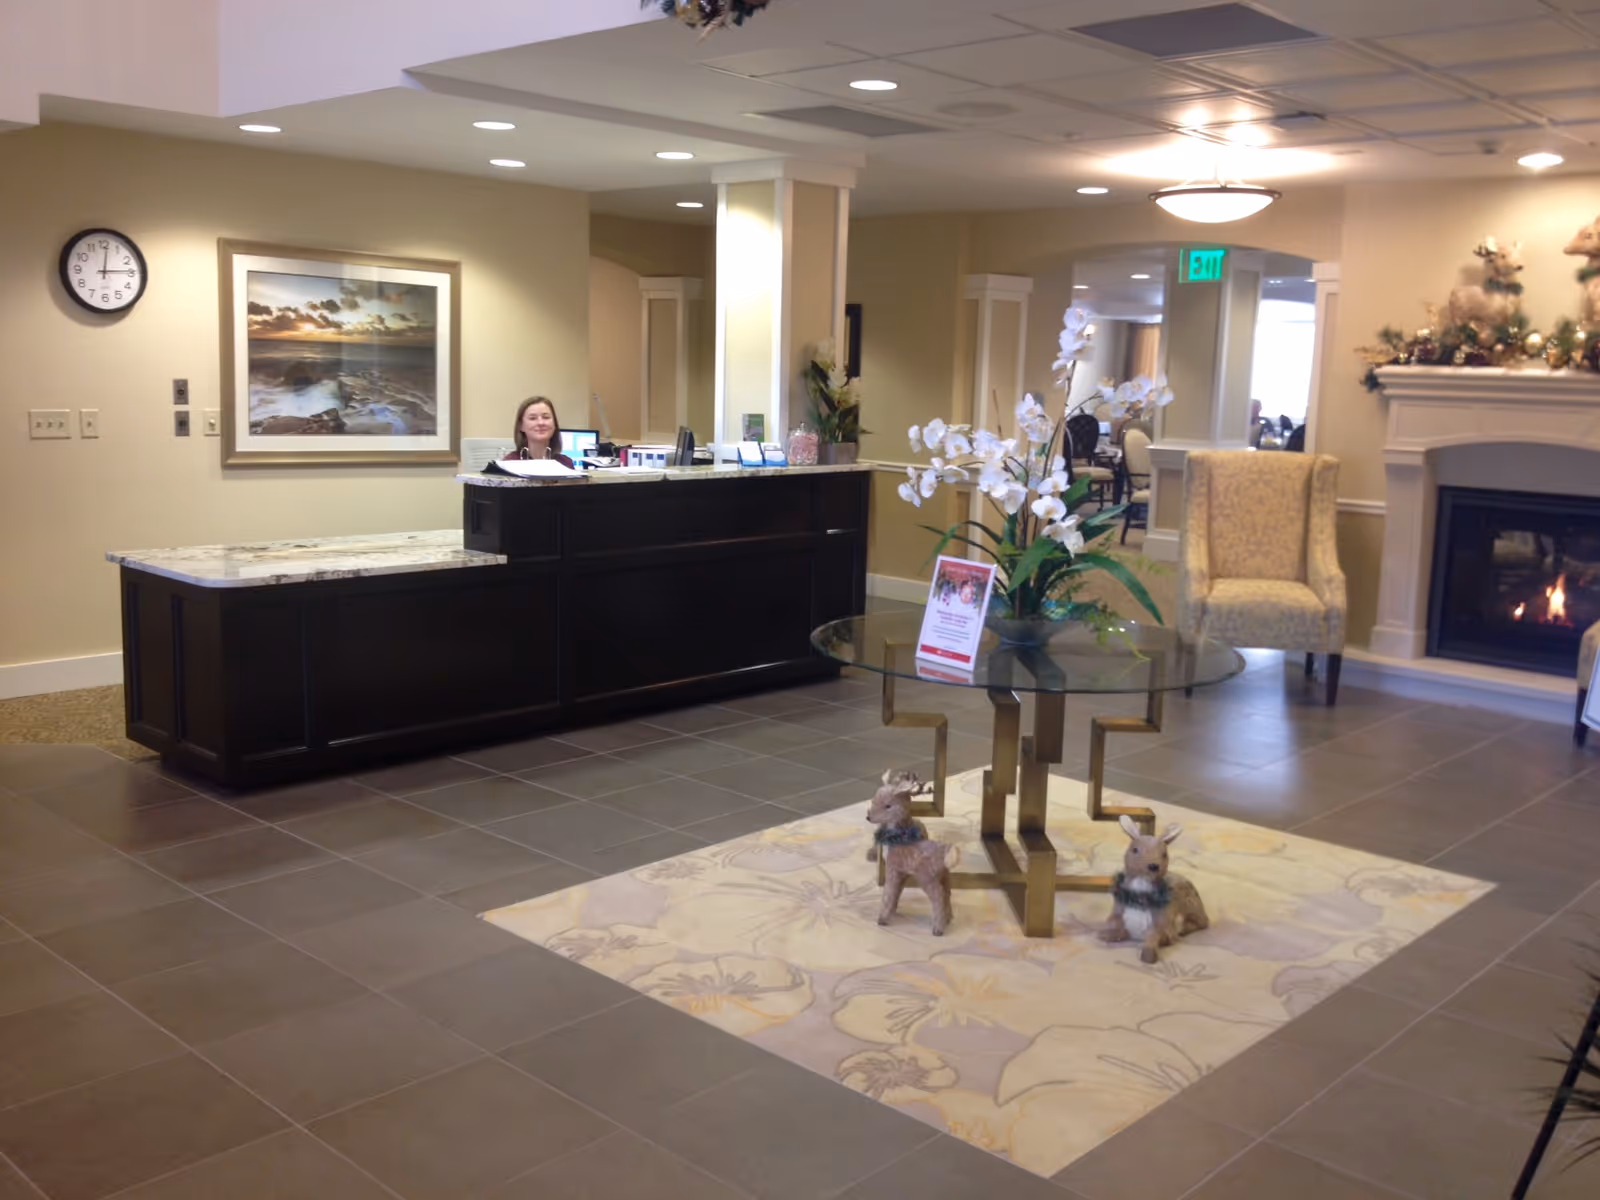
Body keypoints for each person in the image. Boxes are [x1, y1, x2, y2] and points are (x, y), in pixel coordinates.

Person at [504, 396, 574, 467]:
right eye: (532, 418)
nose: (541, 423)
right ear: (521, 426)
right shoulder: (510, 463)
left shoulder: (566, 463)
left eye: (546, 417)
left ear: (554, 424)